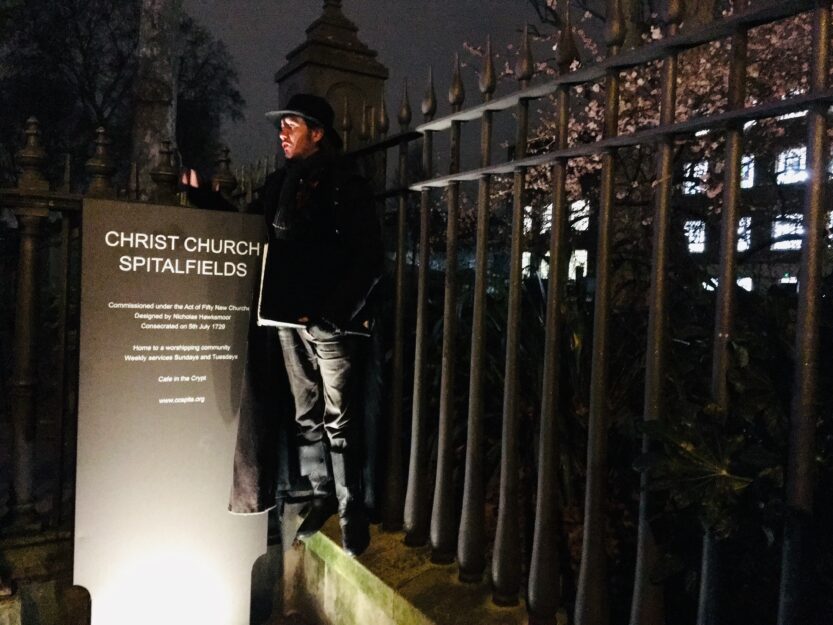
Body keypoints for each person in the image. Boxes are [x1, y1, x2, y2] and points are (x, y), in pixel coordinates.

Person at [254, 93, 383, 557]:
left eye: (292, 124)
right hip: (288, 318)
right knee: (306, 414)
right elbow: (256, 226)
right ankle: (320, 494)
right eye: (281, 124)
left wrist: (332, 315)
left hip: (328, 324)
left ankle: (351, 513)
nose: (282, 132)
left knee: (338, 421)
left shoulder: (346, 183)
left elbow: (369, 257)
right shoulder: (280, 183)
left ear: (319, 132)